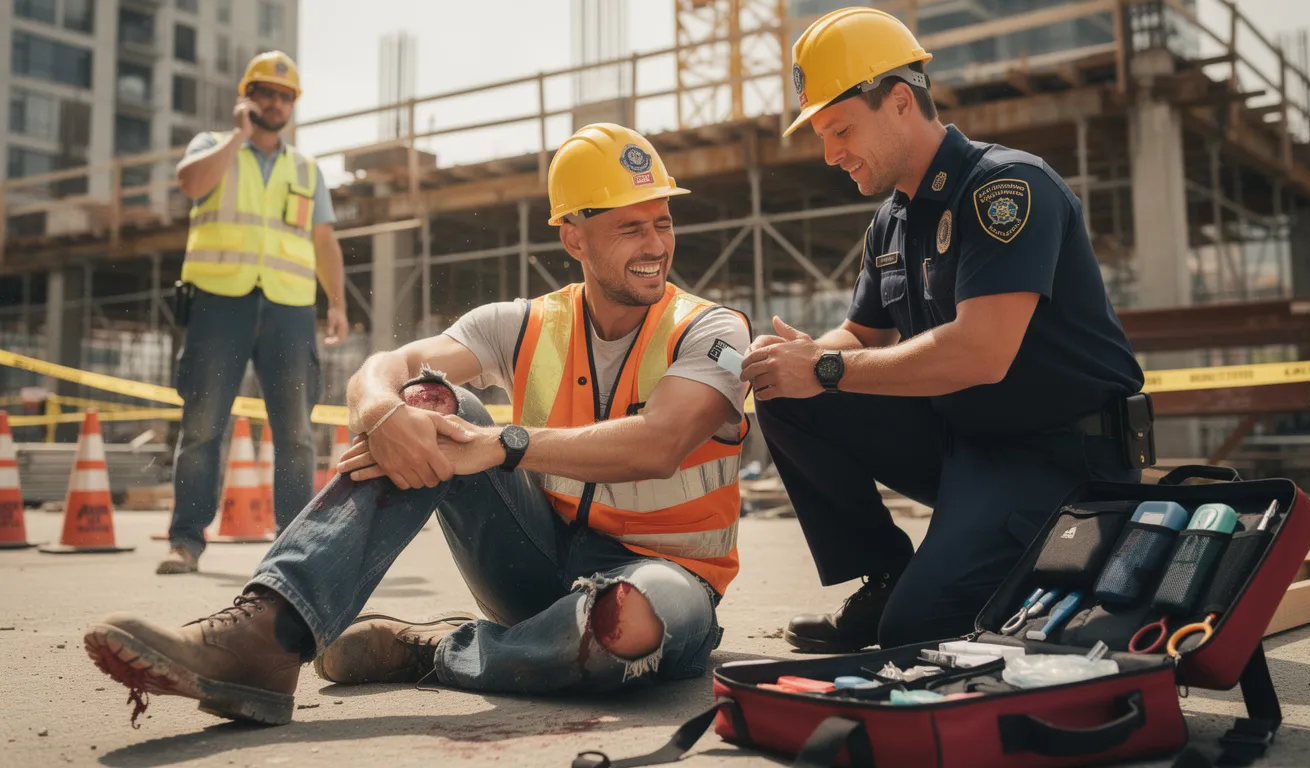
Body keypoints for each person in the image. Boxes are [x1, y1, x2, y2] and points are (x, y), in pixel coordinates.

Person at [83, 123, 753, 726]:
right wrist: (379, 408)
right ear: (573, 235)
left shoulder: (711, 329)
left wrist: (501, 445)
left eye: (661, 222)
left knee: (628, 622)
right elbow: (392, 363)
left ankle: (434, 649)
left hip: (666, 582)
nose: (655, 245)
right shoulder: (525, 322)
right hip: (535, 562)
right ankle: (268, 633)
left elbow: (660, 444)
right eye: (630, 227)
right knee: (426, 400)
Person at [743, 7, 1150, 653]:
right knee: (785, 395)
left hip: (1060, 458)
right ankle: (887, 572)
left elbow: (981, 353)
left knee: (918, 631)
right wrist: (795, 359)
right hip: (967, 443)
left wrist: (823, 368)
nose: (830, 154)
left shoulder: (1004, 187)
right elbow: (864, 337)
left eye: (840, 129)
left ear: (901, 101)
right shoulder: (894, 219)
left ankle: (986, 578)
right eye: (823, 134)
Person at [160, 51, 349, 576]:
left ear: (293, 106)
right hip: (220, 303)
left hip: (289, 311)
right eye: (265, 92)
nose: (275, 102)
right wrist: (237, 138)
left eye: (284, 96)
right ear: (246, 97)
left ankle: (291, 549)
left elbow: (324, 241)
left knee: (294, 434)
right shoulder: (213, 148)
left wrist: (335, 303)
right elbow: (192, 185)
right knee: (202, 428)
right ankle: (186, 541)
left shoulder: (306, 170)